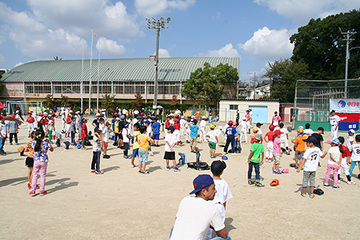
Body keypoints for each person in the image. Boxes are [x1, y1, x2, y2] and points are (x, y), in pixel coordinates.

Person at [170, 174, 230, 240]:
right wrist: (212, 225)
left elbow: (178, 219)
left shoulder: (185, 200)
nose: (215, 191)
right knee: (226, 238)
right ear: (204, 192)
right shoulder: (212, 208)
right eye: (213, 188)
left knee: (174, 229)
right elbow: (223, 235)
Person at [207, 161, 233, 240]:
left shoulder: (208, 181)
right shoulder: (223, 183)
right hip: (219, 206)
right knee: (220, 227)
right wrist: (224, 208)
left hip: (209, 205)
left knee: (207, 228)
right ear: (222, 172)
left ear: (210, 169)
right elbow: (225, 199)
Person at [29, 129, 54, 196]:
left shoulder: (34, 143)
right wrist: (49, 143)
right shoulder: (45, 143)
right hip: (43, 161)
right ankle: (41, 190)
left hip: (36, 160)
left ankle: (32, 190)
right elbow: (52, 149)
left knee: (35, 175)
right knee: (42, 175)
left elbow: (32, 147)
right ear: (44, 136)